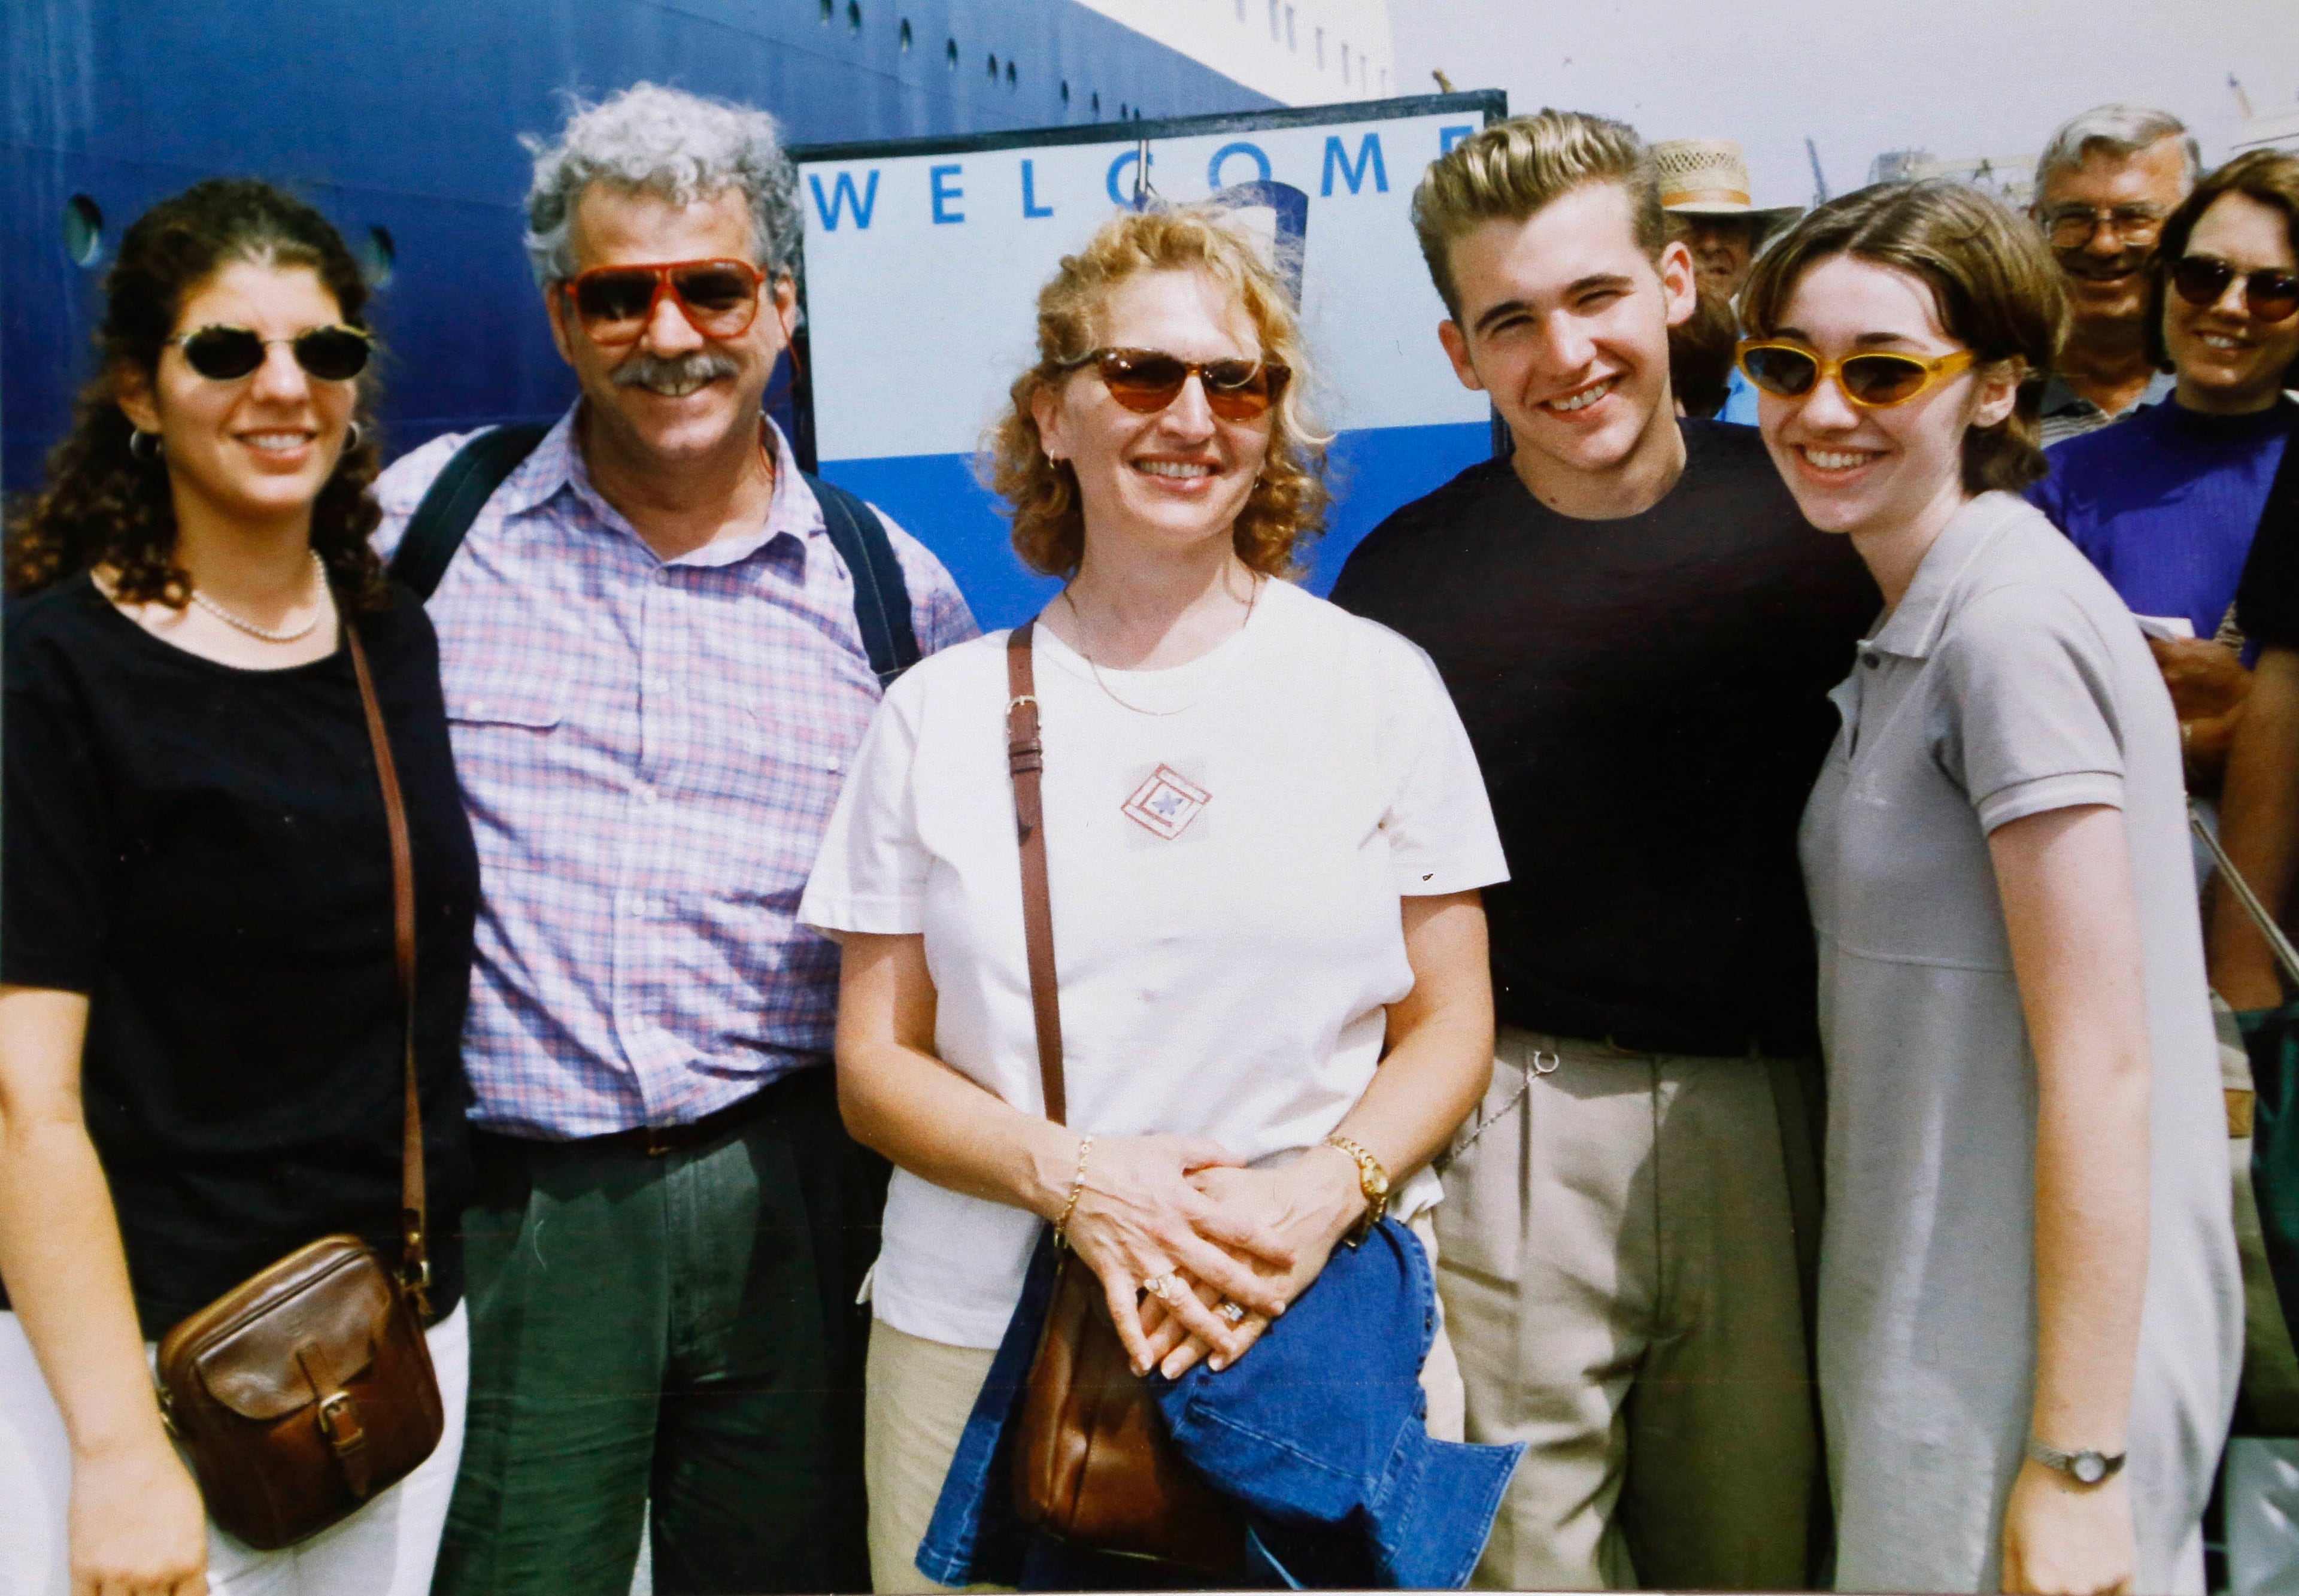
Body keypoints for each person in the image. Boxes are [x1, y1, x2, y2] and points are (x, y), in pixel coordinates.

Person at [798, 202, 1510, 1591]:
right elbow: (875, 1063)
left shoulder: (1375, 687)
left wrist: (1321, 1191)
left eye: (1235, 382)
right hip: (984, 1336)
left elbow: (1451, 1024)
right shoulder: (935, 714)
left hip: (1312, 1335)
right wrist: (1078, 1179)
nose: (1190, 415)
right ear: (1052, 414)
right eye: (1139, 374)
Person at [369, 84, 976, 1595]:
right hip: (522, 1208)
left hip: (792, 1195)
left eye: (710, 285)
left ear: (779, 305)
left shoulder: (887, 590)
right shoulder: (421, 529)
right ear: (562, 317)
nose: (669, 332)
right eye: (616, 294)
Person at [1329, 111, 1878, 1591]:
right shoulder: (1401, 588)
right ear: (1458, 353)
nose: (1563, 355)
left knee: (1757, 1553)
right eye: (1510, 320)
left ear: (1677, 284)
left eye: (1594, 298)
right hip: (1515, 1113)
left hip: (1775, 1116)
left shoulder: (1825, 533)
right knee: (1523, 1561)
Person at [1742, 177, 2241, 1593]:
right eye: (1783, 365)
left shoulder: (2007, 629)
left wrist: (2075, 1464)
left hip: (2015, 1374)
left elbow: (2103, 1067)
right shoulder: (1935, 608)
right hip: (1943, 1339)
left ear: (1993, 387)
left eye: (1880, 368)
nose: (1819, 408)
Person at [0, 179, 478, 1595]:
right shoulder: (56, 672)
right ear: (139, 392)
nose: (284, 388)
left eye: (323, 352)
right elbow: (27, 1097)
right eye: (227, 351)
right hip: (145, 1364)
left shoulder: (390, 641)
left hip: (381, 1342)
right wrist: (114, 1445)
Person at [2029, 150, 2299, 787]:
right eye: (2205, 275)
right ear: (2165, 280)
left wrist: (2252, 711)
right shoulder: (2057, 481)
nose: (2231, 306)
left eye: (2275, 289)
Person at [2029, 105, 2198, 446]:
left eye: (2136, 218)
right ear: (2036, 225)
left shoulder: (2231, 395)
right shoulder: (1985, 407)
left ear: (2193, 225)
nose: (2103, 246)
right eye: (2074, 217)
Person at [1651, 138, 1803, 426]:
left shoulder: (1785, 363)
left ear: (1751, 251)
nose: (1710, 245)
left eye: (1727, 226)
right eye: (1690, 226)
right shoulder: (1623, 356)